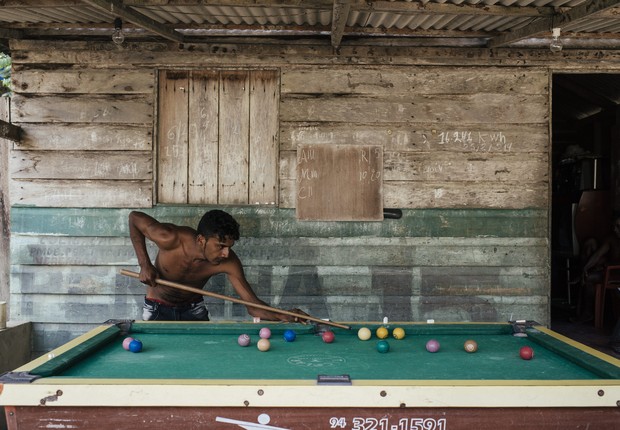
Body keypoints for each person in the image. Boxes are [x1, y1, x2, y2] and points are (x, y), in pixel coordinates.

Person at [128, 209, 308, 322]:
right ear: (201, 240)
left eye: (229, 247)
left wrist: (282, 315)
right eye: (220, 246)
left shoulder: (229, 262)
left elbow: (252, 306)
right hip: (157, 307)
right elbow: (134, 218)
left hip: (193, 309)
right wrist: (145, 264)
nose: (226, 254)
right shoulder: (171, 238)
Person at [578, 215, 620, 322]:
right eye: (614, 226)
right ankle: (588, 313)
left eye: (618, 226)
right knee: (589, 277)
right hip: (609, 272)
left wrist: (607, 264)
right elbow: (598, 254)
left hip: (615, 272)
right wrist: (586, 268)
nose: (615, 229)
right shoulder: (612, 239)